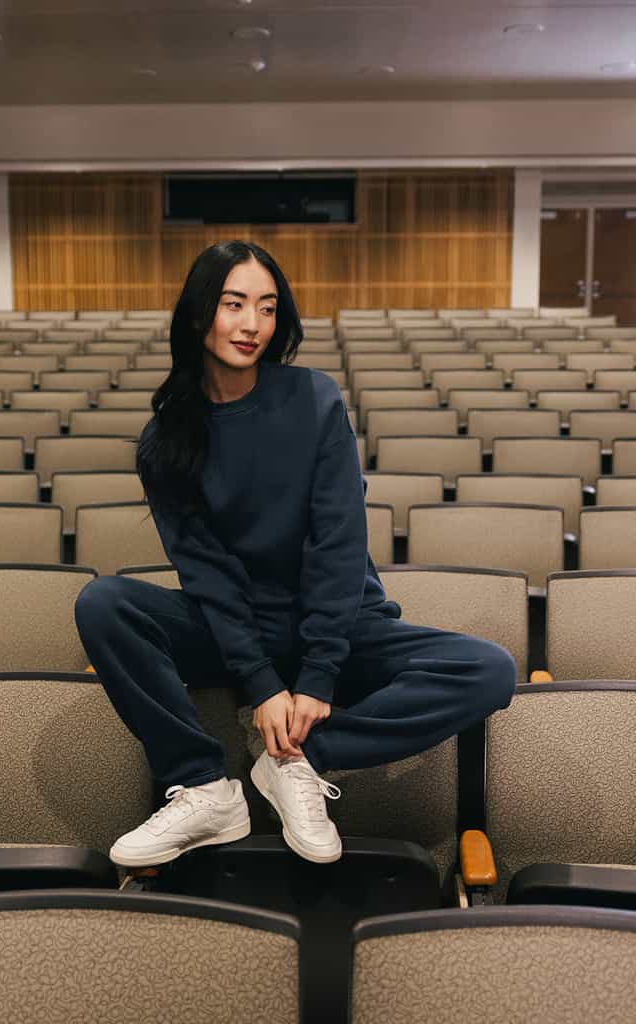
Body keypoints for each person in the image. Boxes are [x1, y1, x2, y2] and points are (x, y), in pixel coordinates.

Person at [74, 240, 516, 869]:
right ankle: (204, 786)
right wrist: (260, 680)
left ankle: (302, 762)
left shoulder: (313, 400)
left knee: (489, 669)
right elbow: (207, 574)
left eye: (267, 307)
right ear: (200, 313)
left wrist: (317, 677)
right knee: (104, 603)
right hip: (238, 626)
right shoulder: (166, 438)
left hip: (337, 621)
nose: (252, 324)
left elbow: (338, 547)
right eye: (233, 304)